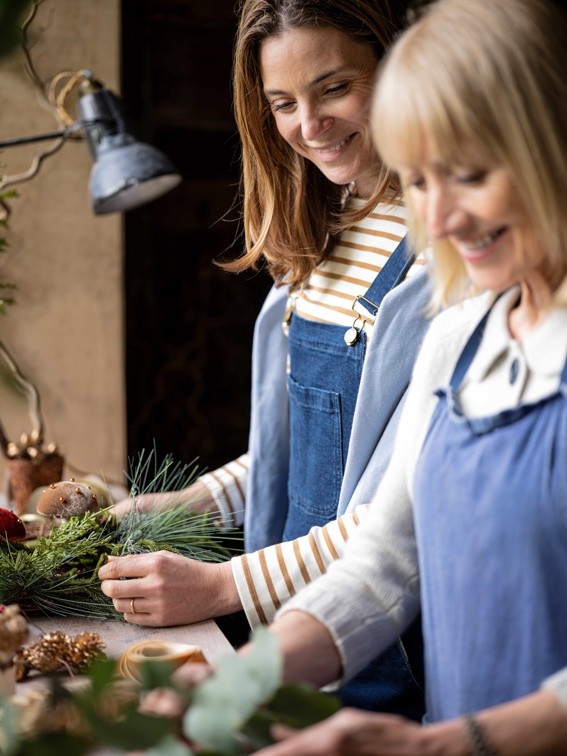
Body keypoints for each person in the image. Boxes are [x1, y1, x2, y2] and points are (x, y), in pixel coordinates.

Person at [202, 0, 567, 751]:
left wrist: (439, 745)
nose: (436, 221)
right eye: (418, 181)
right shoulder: (460, 335)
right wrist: (230, 680)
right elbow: (384, 565)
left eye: (466, 175)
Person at [99, 0, 432, 716]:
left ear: (398, 64)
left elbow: (397, 517)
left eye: (334, 88)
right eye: (282, 103)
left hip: (384, 656)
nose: (308, 127)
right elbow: (297, 457)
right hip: (289, 625)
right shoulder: (323, 237)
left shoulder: (447, 251)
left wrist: (225, 586)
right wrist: (183, 506)